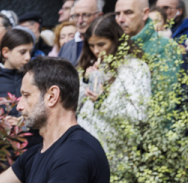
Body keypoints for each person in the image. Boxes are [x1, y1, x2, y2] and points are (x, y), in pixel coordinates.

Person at [77, 15, 151, 150]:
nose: (96, 51)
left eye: (101, 44)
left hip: (114, 149)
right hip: (84, 145)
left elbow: (140, 115)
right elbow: (73, 107)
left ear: (116, 41)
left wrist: (103, 101)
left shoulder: (134, 67)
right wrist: (85, 81)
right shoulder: (92, 64)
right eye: (91, 46)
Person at [115, 0, 181, 94]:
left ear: (145, 14)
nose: (120, 19)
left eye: (128, 13)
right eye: (117, 14)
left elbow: (164, 98)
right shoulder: (112, 44)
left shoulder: (165, 47)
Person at [0, 29, 33, 116]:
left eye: (30, 52)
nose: (28, 57)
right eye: (22, 52)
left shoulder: (32, 77)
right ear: (6, 52)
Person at [59, 0, 104, 64]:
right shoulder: (66, 47)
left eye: (85, 15)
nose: (80, 21)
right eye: (76, 15)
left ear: (99, 16)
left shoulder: (107, 45)